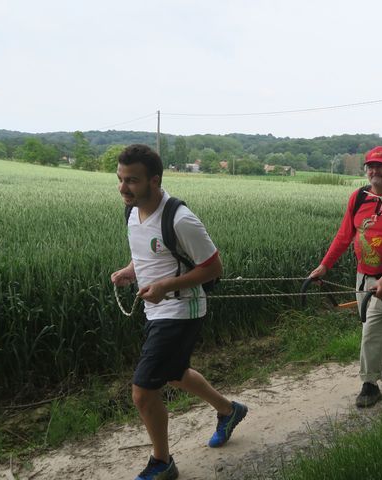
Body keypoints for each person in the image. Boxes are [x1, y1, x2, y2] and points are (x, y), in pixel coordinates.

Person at [111, 144, 247, 480]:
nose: (123, 187)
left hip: (181, 309)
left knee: (143, 390)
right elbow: (147, 252)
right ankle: (229, 411)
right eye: (120, 179)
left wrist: (164, 287)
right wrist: (132, 270)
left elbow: (214, 268)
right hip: (156, 309)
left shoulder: (180, 219)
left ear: (154, 181)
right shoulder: (131, 210)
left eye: (132, 180)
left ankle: (163, 462)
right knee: (174, 372)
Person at [309, 146, 382, 408]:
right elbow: (344, 235)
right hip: (363, 273)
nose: (374, 171)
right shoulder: (358, 197)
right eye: (370, 166)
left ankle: (369, 385)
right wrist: (325, 266)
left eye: (380, 166)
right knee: (369, 323)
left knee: (371, 327)